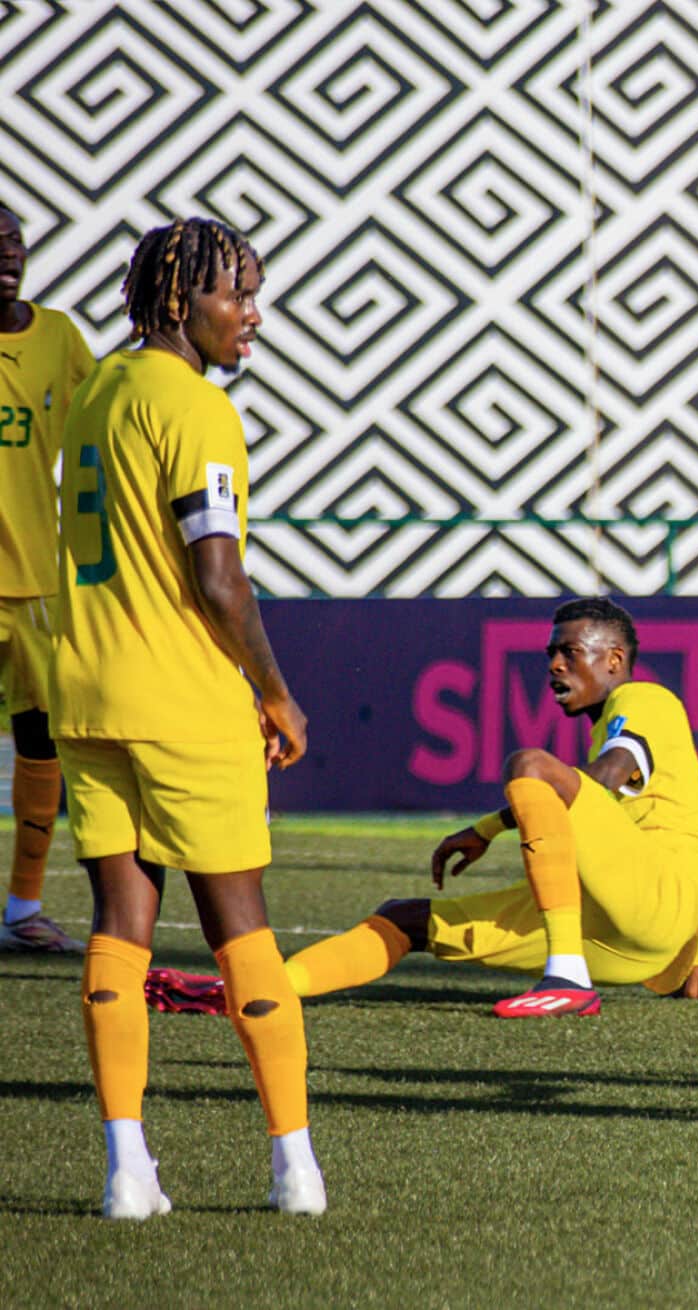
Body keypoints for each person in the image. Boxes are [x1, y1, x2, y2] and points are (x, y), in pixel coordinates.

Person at [55, 217, 324, 1219]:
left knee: (120, 928)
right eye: (233, 292)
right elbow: (219, 578)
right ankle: (294, 1162)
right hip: (182, 701)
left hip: (88, 693)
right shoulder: (196, 409)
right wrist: (275, 690)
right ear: (180, 300)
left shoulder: (99, 393)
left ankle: (128, 1167)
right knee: (239, 929)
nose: (250, 314)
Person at [155, 598, 698, 1016]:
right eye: (550, 653)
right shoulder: (621, 722)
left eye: (569, 652)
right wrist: (693, 962)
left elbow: (601, 780)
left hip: (650, 909)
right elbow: (697, 846)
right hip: (631, 942)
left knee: (530, 765)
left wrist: (489, 826)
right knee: (406, 917)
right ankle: (264, 988)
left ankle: (567, 977)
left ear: (616, 660)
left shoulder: (643, 698)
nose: (553, 664)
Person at [0, 206, 92, 953]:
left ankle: (22, 908)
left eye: (16, 243)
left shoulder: (59, 338)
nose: (8, 255)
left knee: (41, 744)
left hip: (34, 579)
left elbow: (103, 431)